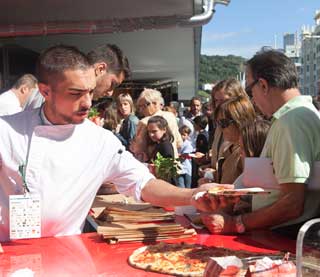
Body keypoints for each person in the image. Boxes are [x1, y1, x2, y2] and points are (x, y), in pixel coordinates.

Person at [0, 45, 231, 242]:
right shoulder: (6, 130)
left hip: (67, 253)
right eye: (75, 93)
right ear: (45, 91)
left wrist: (192, 195)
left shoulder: (100, 141)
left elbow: (144, 184)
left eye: (90, 91)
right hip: (7, 250)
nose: (87, 102)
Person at [238, 49, 320, 235]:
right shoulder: (301, 113)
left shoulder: (291, 121)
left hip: (283, 235)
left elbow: (292, 203)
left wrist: (238, 222)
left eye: (250, 90)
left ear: (263, 85)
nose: (252, 100)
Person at [201, 117, 271, 233]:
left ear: (253, 150)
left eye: (242, 149)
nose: (240, 154)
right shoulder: (247, 175)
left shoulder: (264, 176)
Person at [132, 89, 182, 159]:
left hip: (155, 165)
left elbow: (138, 149)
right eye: (139, 106)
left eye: (143, 106)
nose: (141, 110)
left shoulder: (145, 122)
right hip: (173, 164)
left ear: (154, 103)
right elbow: (179, 143)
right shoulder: (171, 116)